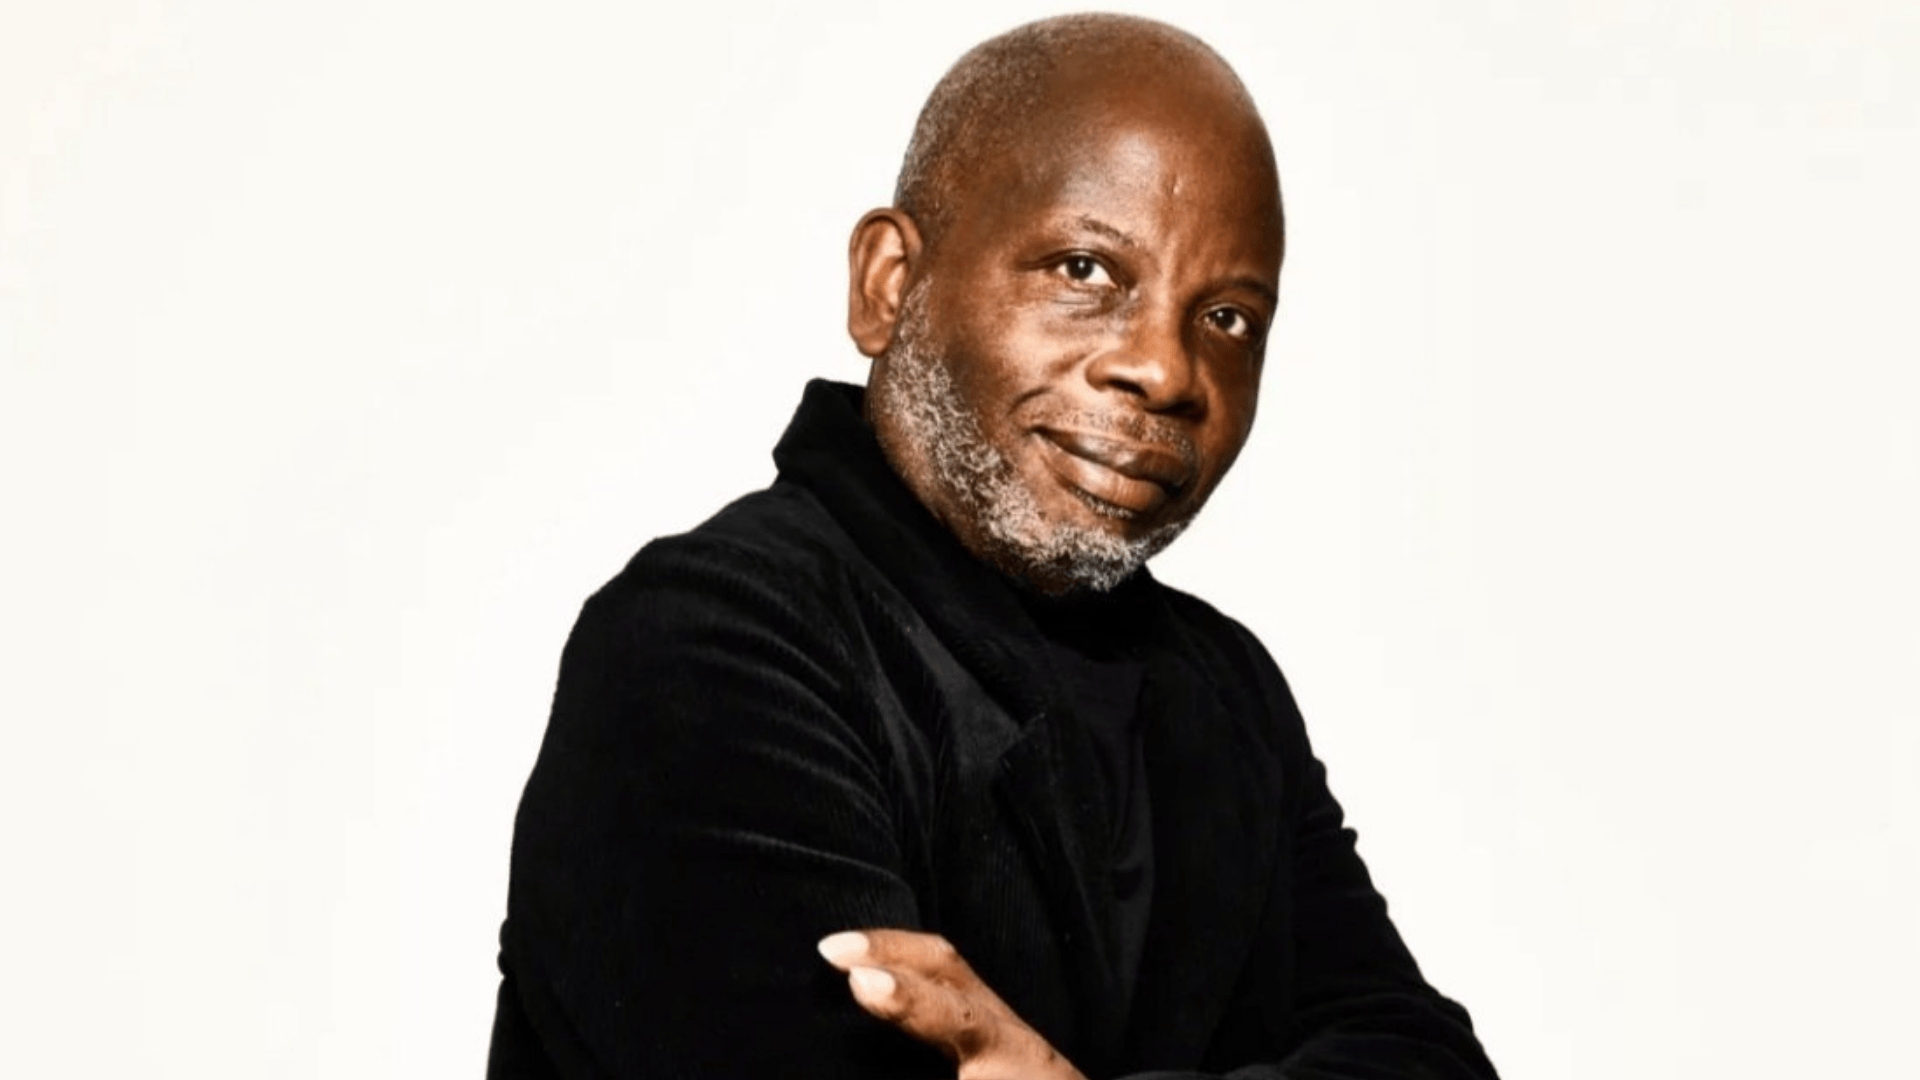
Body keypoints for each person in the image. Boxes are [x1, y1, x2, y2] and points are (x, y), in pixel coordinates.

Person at [488, 13, 1498, 1079]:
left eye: (1231, 319)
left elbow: (1425, 1059)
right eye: (1085, 269)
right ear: (889, 284)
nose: (1165, 368)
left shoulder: (1228, 692)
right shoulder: (707, 648)